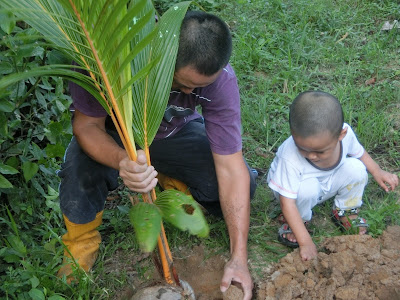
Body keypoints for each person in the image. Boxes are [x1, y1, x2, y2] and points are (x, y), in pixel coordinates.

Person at [57, 11, 257, 299]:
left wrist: (239, 257)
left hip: (170, 134)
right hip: (112, 136)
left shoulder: (220, 81)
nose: (190, 91)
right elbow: (87, 126)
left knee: (243, 184)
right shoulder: (105, 58)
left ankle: (164, 176)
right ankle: (80, 245)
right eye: (183, 83)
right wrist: (122, 162)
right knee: (80, 169)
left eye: (199, 87)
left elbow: (229, 166)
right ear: (164, 58)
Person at [267, 90, 399, 261]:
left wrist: (377, 171)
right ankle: (299, 221)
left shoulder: (347, 135)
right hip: (295, 191)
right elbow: (287, 202)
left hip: (327, 181)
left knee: (357, 168)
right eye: (303, 149)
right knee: (306, 190)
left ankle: (345, 209)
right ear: (293, 135)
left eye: (320, 151)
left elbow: (360, 153)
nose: (311, 156)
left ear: (340, 135)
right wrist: (306, 243)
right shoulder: (289, 156)